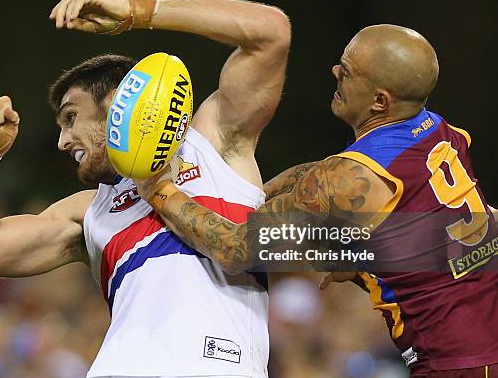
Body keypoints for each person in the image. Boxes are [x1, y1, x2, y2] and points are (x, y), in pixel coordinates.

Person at [0, 0, 291, 377]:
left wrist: (137, 12)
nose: (62, 142)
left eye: (71, 118)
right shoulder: (89, 210)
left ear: (118, 101)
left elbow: (269, 32)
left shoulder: (213, 140)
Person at [135, 24, 498, 377]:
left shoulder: (351, 178)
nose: (336, 70)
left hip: (459, 362)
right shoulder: (439, 130)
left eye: (350, 70)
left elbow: (235, 250)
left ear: (379, 101)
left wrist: (159, 190)